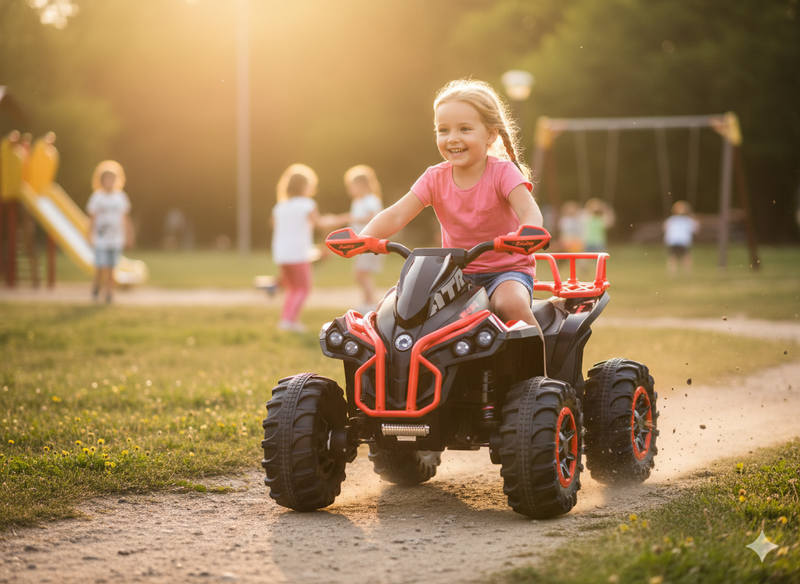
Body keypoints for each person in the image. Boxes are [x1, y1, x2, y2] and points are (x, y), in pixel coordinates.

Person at [359, 79, 543, 325]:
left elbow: (528, 208)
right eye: (443, 130)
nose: (452, 138)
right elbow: (396, 215)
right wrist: (363, 237)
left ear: (491, 134)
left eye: (464, 129)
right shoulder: (435, 177)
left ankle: (537, 364)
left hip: (506, 272)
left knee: (510, 305)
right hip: (453, 274)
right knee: (393, 308)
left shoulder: (503, 172)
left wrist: (528, 233)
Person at [271, 163, 327, 332]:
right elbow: (321, 223)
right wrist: (341, 219)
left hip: (281, 254)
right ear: (305, 186)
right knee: (303, 288)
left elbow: (273, 224)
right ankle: (289, 322)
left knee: (292, 288)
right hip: (298, 253)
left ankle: (286, 320)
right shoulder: (307, 204)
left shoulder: (280, 206)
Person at [332, 165, 384, 312]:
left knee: (362, 273)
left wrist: (349, 217)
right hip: (358, 244)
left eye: (352, 186)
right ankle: (368, 302)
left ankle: (370, 304)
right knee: (360, 273)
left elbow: (373, 217)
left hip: (369, 242)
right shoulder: (357, 201)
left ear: (362, 185)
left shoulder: (371, 200)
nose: (350, 189)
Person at [86, 163, 133, 303]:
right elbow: (92, 218)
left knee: (112, 267)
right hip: (101, 238)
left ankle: (109, 292)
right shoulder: (97, 197)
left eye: (112, 179)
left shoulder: (121, 197)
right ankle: (96, 286)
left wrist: (129, 235)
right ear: (101, 181)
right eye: (106, 179)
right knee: (100, 266)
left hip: (116, 238)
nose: (109, 183)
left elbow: (125, 218)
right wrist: (89, 234)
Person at [663, 200, 700, 276]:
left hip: (673, 241)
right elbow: (696, 229)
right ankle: (687, 273)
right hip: (683, 241)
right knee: (686, 257)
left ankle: (672, 273)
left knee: (673, 258)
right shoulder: (689, 220)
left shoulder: (671, 220)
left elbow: (664, 228)